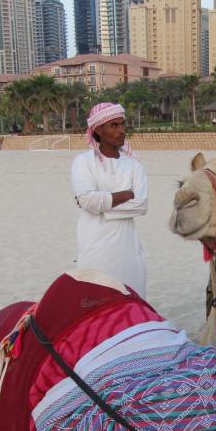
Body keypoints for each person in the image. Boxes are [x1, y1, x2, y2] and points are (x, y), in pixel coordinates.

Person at [71, 102, 148, 296]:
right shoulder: (83, 162)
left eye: (123, 124)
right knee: (94, 300)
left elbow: (141, 205)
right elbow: (88, 199)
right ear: (98, 130)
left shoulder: (134, 166)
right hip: (94, 246)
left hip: (127, 248)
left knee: (130, 300)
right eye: (114, 125)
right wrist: (125, 195)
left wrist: (98, 205)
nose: (121, 130)